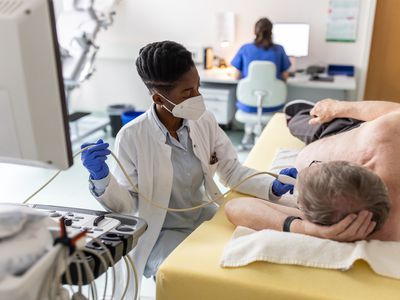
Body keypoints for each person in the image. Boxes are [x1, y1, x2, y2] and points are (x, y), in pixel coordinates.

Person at [80, 41, 298, 284]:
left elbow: (230, 169)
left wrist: (271, 184)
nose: (198, 97)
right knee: (188, 278)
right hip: (162, 231)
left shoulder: (203, 120)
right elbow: (127, 206)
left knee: (248, 262)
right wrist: (102, 179)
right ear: (158, 98)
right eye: (187, 92)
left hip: (203, 216)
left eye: (198, 87)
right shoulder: (132, 137)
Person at [225, 99, 400, 242]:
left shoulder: (347, 217)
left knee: (294, 117)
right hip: (346, 130)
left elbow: (235, 207)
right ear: (351, 164)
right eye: (317, 165)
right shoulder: (384, 131)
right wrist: (338, 107)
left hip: (329, 135)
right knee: (305, 112)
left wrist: (304, 228)